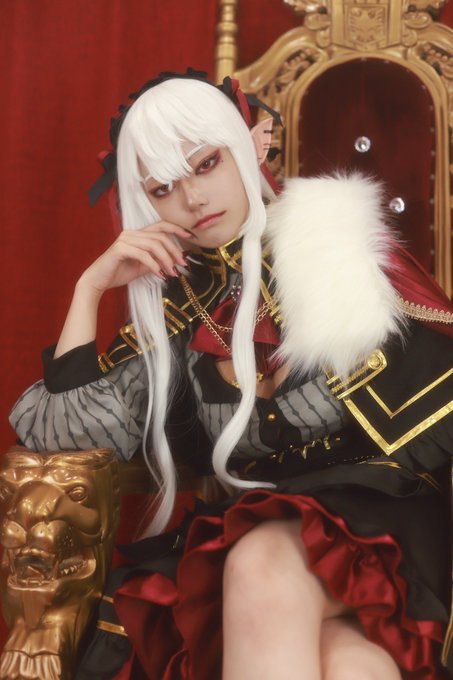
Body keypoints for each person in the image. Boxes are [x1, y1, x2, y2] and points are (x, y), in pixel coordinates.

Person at [9, 70, 453, 680]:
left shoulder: (336, 247)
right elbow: (61, 437)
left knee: (261, 564)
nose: (193, 199)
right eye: (163, 187)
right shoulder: (175, 312)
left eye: (207, 164)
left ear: (251, 146)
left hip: (385, 522)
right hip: (259, 531)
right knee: (351, 664)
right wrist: (90, 288)